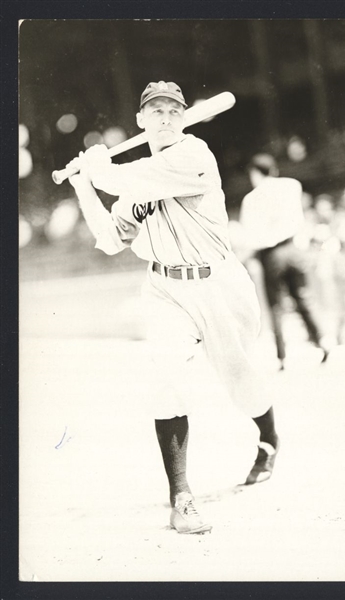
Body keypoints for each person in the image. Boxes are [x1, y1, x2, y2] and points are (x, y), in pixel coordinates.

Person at [66, 81, 279, 535]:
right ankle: (182, 498)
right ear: (141, 120)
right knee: (164, 381)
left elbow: (122, 177)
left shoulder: (193, 156)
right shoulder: (140, 179)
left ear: (183, 118)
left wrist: (99, 165)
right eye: (155, 112)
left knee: (240, 382)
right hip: (165, 288)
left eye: (172, 111)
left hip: (218, 283)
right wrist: (85, 185)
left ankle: (269, 438)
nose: (164, 118)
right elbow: (109, 240)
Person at [239, 154, 331, 371]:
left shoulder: (251, 198)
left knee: (276, 305)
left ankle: (283, 356)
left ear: (255, 173)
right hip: (293, 247)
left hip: (270, 253)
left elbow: (248, 232)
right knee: (303, 297)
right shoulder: (292, 185)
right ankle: (323, 341)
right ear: (274, 170)